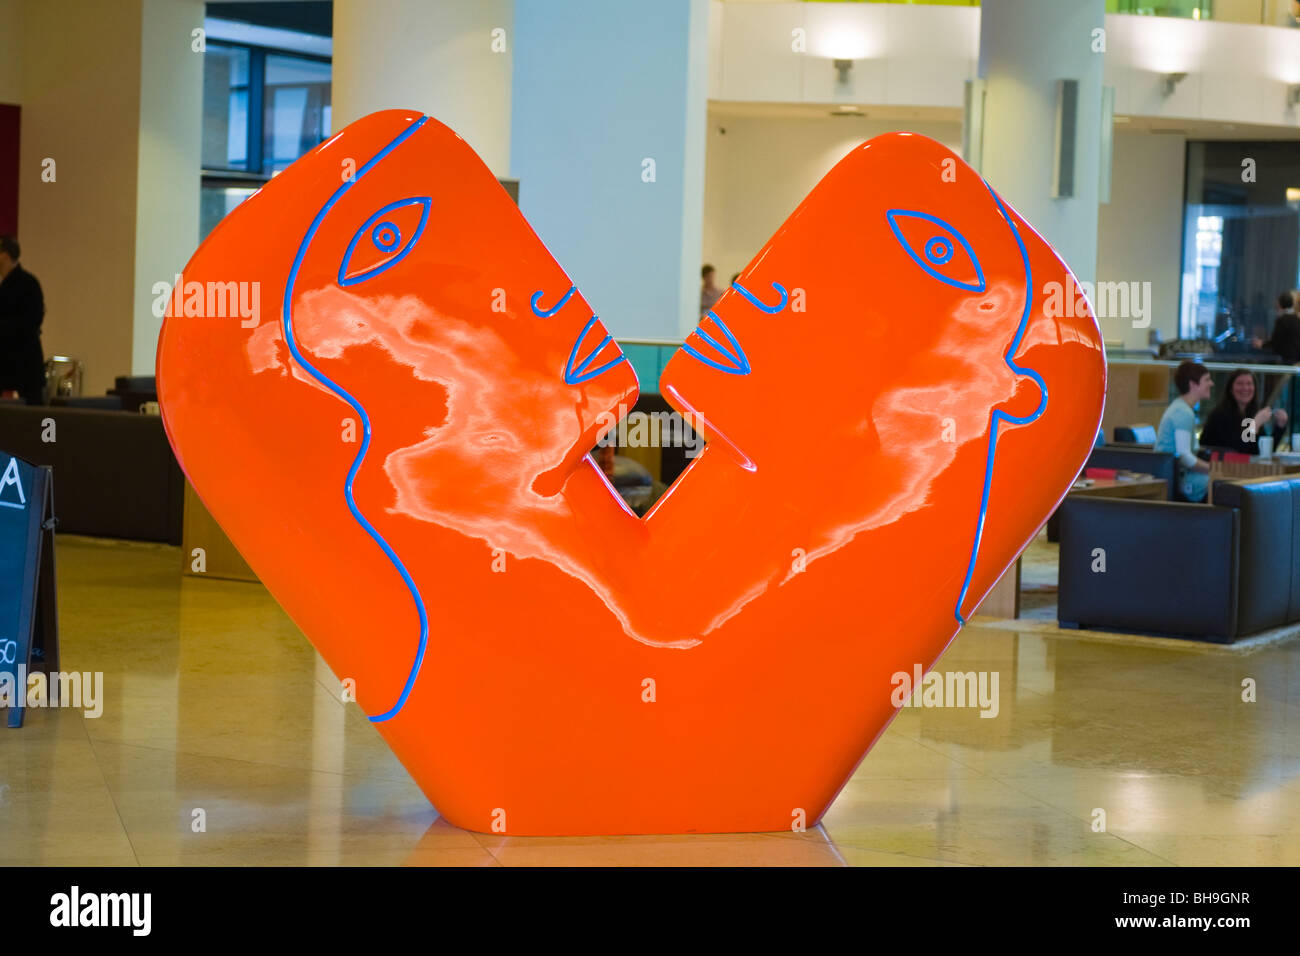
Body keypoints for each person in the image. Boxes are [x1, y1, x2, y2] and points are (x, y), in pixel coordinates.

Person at [1154, 361, 1213, 502]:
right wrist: (1213, 470)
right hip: (1177, 478)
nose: (1211, 384)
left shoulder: (1180, 407)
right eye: (1207, 380)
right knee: (1223, 486)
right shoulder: (1183, 412)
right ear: (1193, 384)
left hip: (1174, 474)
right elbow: (1184, 455)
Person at [1200, 368, 1288, 455]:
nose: (1245, 388)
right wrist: (1255, 424)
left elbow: (1261, 451)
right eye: (1240, 384)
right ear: (1230, 389)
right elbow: (1237, 451)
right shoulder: (1220, 415)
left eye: (1249, 384)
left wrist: (1279, 427)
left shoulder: (1251, 413)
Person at [0, 236, 45, 405]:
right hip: (6, 358)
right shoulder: (5, 284)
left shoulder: (28, 283)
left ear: (5, 255)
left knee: (33, 412)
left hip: (24, 358)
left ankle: (44, 432)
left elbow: (32, 320)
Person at [1251, 292, 1300, 365]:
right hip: (1295, 358)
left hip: (1286, 359)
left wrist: (1262, 344)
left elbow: (1276, 342)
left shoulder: (1282, 320)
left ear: (1280, 304)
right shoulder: (1296, 318)